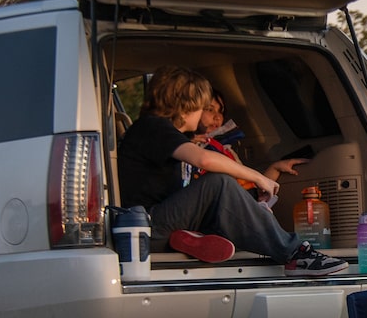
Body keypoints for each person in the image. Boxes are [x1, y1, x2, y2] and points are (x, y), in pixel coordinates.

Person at [117, 64, 347, 276]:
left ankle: (195, 238)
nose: (201, 113)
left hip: (160, 222)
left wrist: (252, 199)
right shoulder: (152, 127)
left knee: (222, 194)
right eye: (202, 107)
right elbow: (204, 160)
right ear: (187, 104)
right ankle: (295, 255)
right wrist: (257, 177)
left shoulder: (159, 133)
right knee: (218, 182)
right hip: (146, 227)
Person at [191, 87, 308, 192]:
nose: (217, 117)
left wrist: (275, 168)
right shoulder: (188, 148)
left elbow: (249, 189)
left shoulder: (226, 149)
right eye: (210, 109)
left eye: (221, 111)